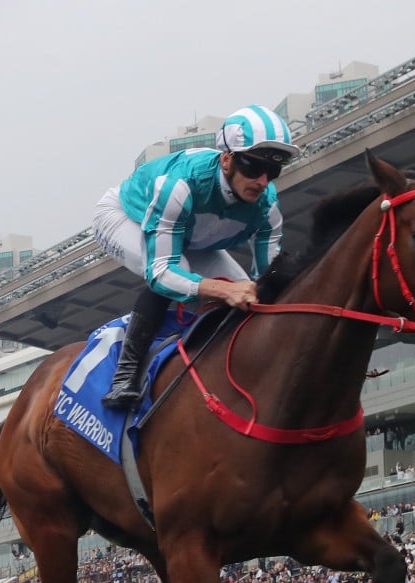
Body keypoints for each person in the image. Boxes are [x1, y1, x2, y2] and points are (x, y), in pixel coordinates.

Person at [92, 105, 300, 409]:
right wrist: (224, 290)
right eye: (254, 168)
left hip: (188, 233)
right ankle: (125, 376)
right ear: (227, 159)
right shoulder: (179, 186)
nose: (262, 182)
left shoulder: (267, 207)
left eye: (273, 172)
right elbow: (161, 272)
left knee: (248, 294)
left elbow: (267, 280)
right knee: (182, 275)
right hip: (124, 216)